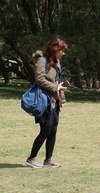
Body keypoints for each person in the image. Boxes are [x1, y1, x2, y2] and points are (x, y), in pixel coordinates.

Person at [25, 36, 68, 168]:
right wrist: (56, 88)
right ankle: (31, 158)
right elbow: (39, 80)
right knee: (45, 131)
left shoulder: (57, 62)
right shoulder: (41, 61)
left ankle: (48, 160)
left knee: (53, 130)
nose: (63, 53)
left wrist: (62, 98)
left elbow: (57, 82)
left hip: (54, 101)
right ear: (54, 48)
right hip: (43, 101)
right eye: (62, 50)